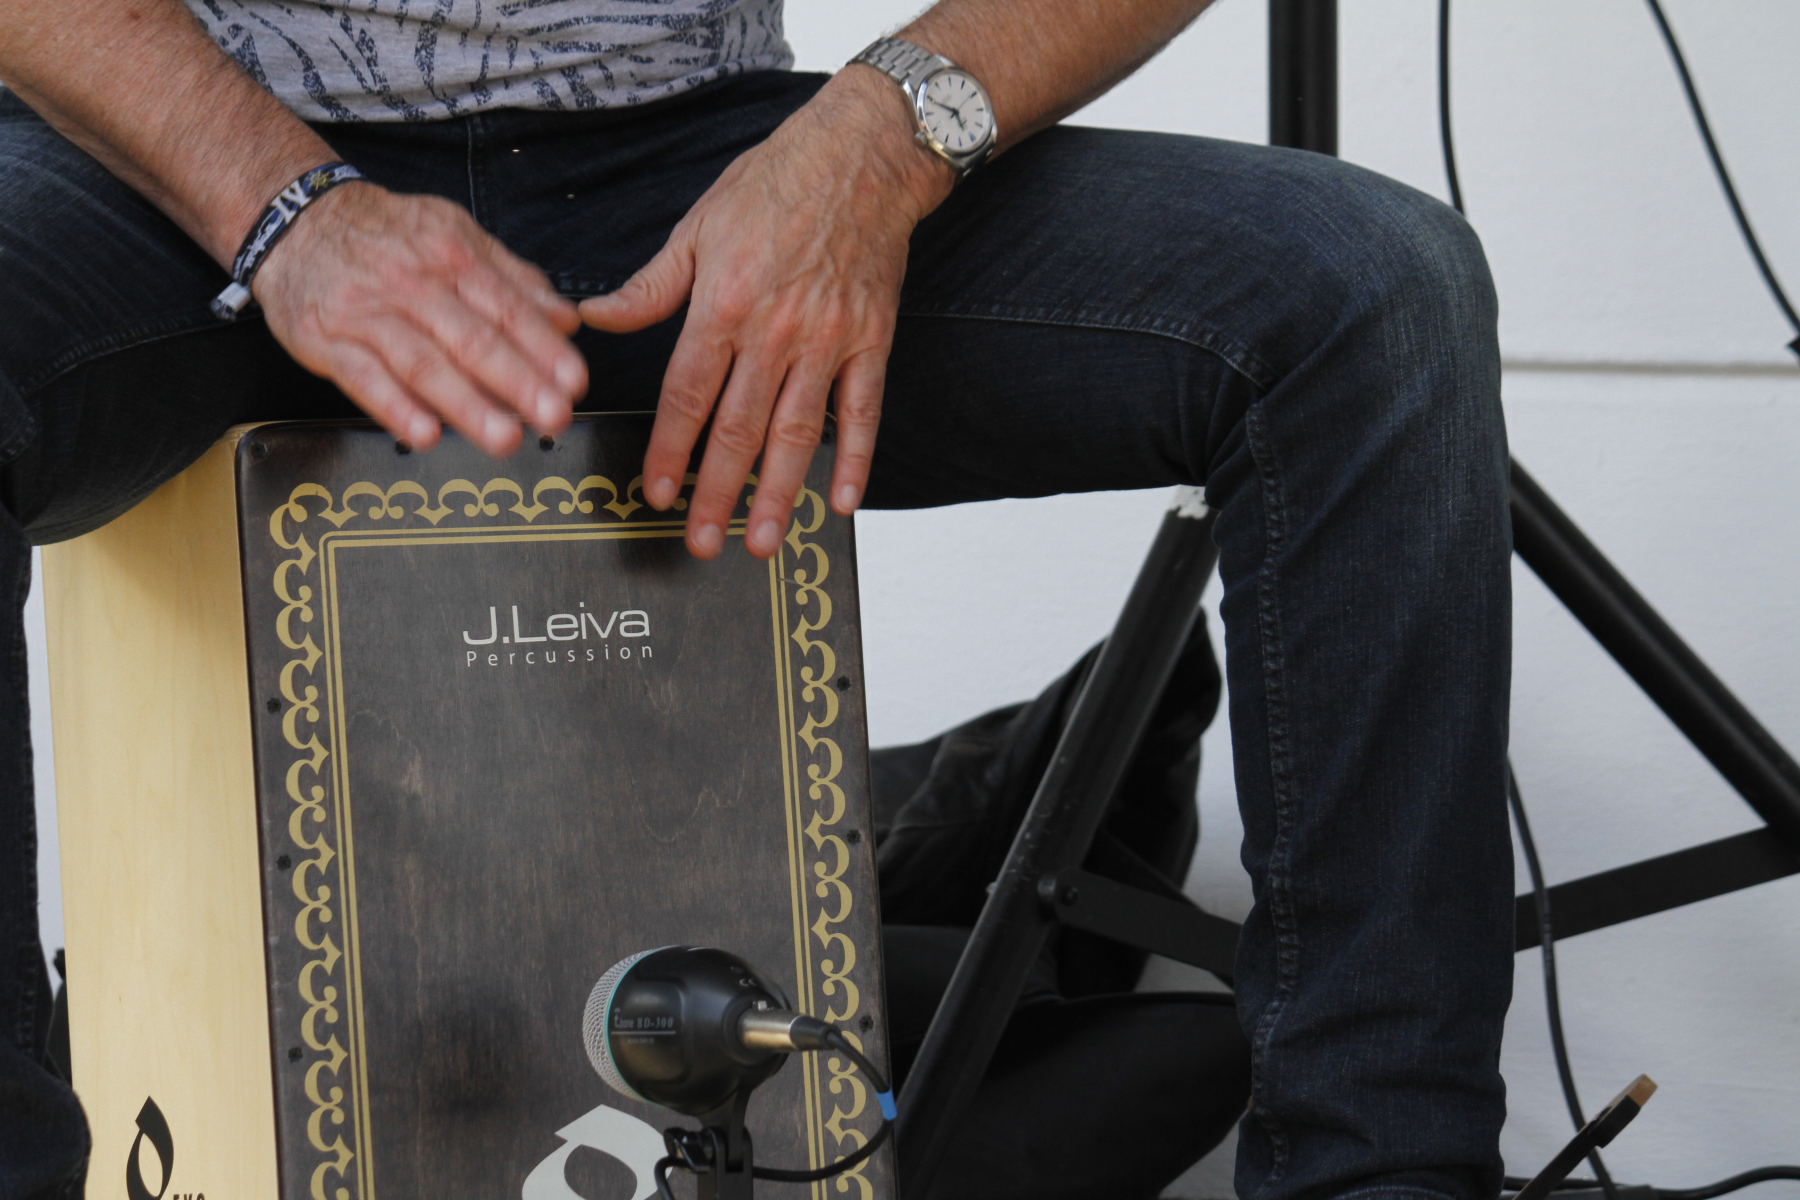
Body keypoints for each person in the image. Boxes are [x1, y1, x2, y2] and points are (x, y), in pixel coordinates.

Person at [0, 1, 1514, 1198]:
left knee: (1371, 297)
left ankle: (1381, 1173)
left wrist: (873, 148)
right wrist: (287, 211)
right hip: (186, 164)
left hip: (700, 158)